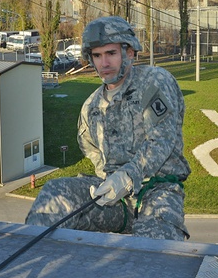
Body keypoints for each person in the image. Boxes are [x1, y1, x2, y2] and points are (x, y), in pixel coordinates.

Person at [25, 16, 190, 241]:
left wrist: (128, 177)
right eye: (97, 55)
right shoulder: (91, 108)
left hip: (157, 192)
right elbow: (92, 151)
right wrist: (107, 184)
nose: (104, 63)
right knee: (54, 196)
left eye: (111, 53)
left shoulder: (153, 82)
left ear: (129, 53)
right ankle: (35, 264)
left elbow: (161, 139)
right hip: (114, 201)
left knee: (155, 249)